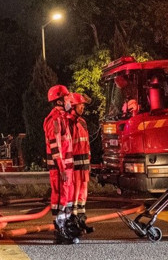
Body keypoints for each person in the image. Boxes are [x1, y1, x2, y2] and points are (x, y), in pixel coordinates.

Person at [44, 84, 77, 244]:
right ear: (58, 101)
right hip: (60, 169)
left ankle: (66, 228)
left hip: (67, 168)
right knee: (60, 199)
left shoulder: (62, 118)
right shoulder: (55, 120)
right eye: (66, 97)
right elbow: (55, 146)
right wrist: (62, 168)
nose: (69, 100)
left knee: (67, 198)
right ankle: (60, 230)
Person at [69, 93, 94, 234]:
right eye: (80, 105)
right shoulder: (69, 123)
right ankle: (73, 220)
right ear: (73, 106)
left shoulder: (82, 122)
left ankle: (81, 219)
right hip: (74, 165)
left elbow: (86, 144)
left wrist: (89, 162)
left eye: (83, 105)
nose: (83, 107)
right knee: (75, 191)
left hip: (84, 164)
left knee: (83, 192)